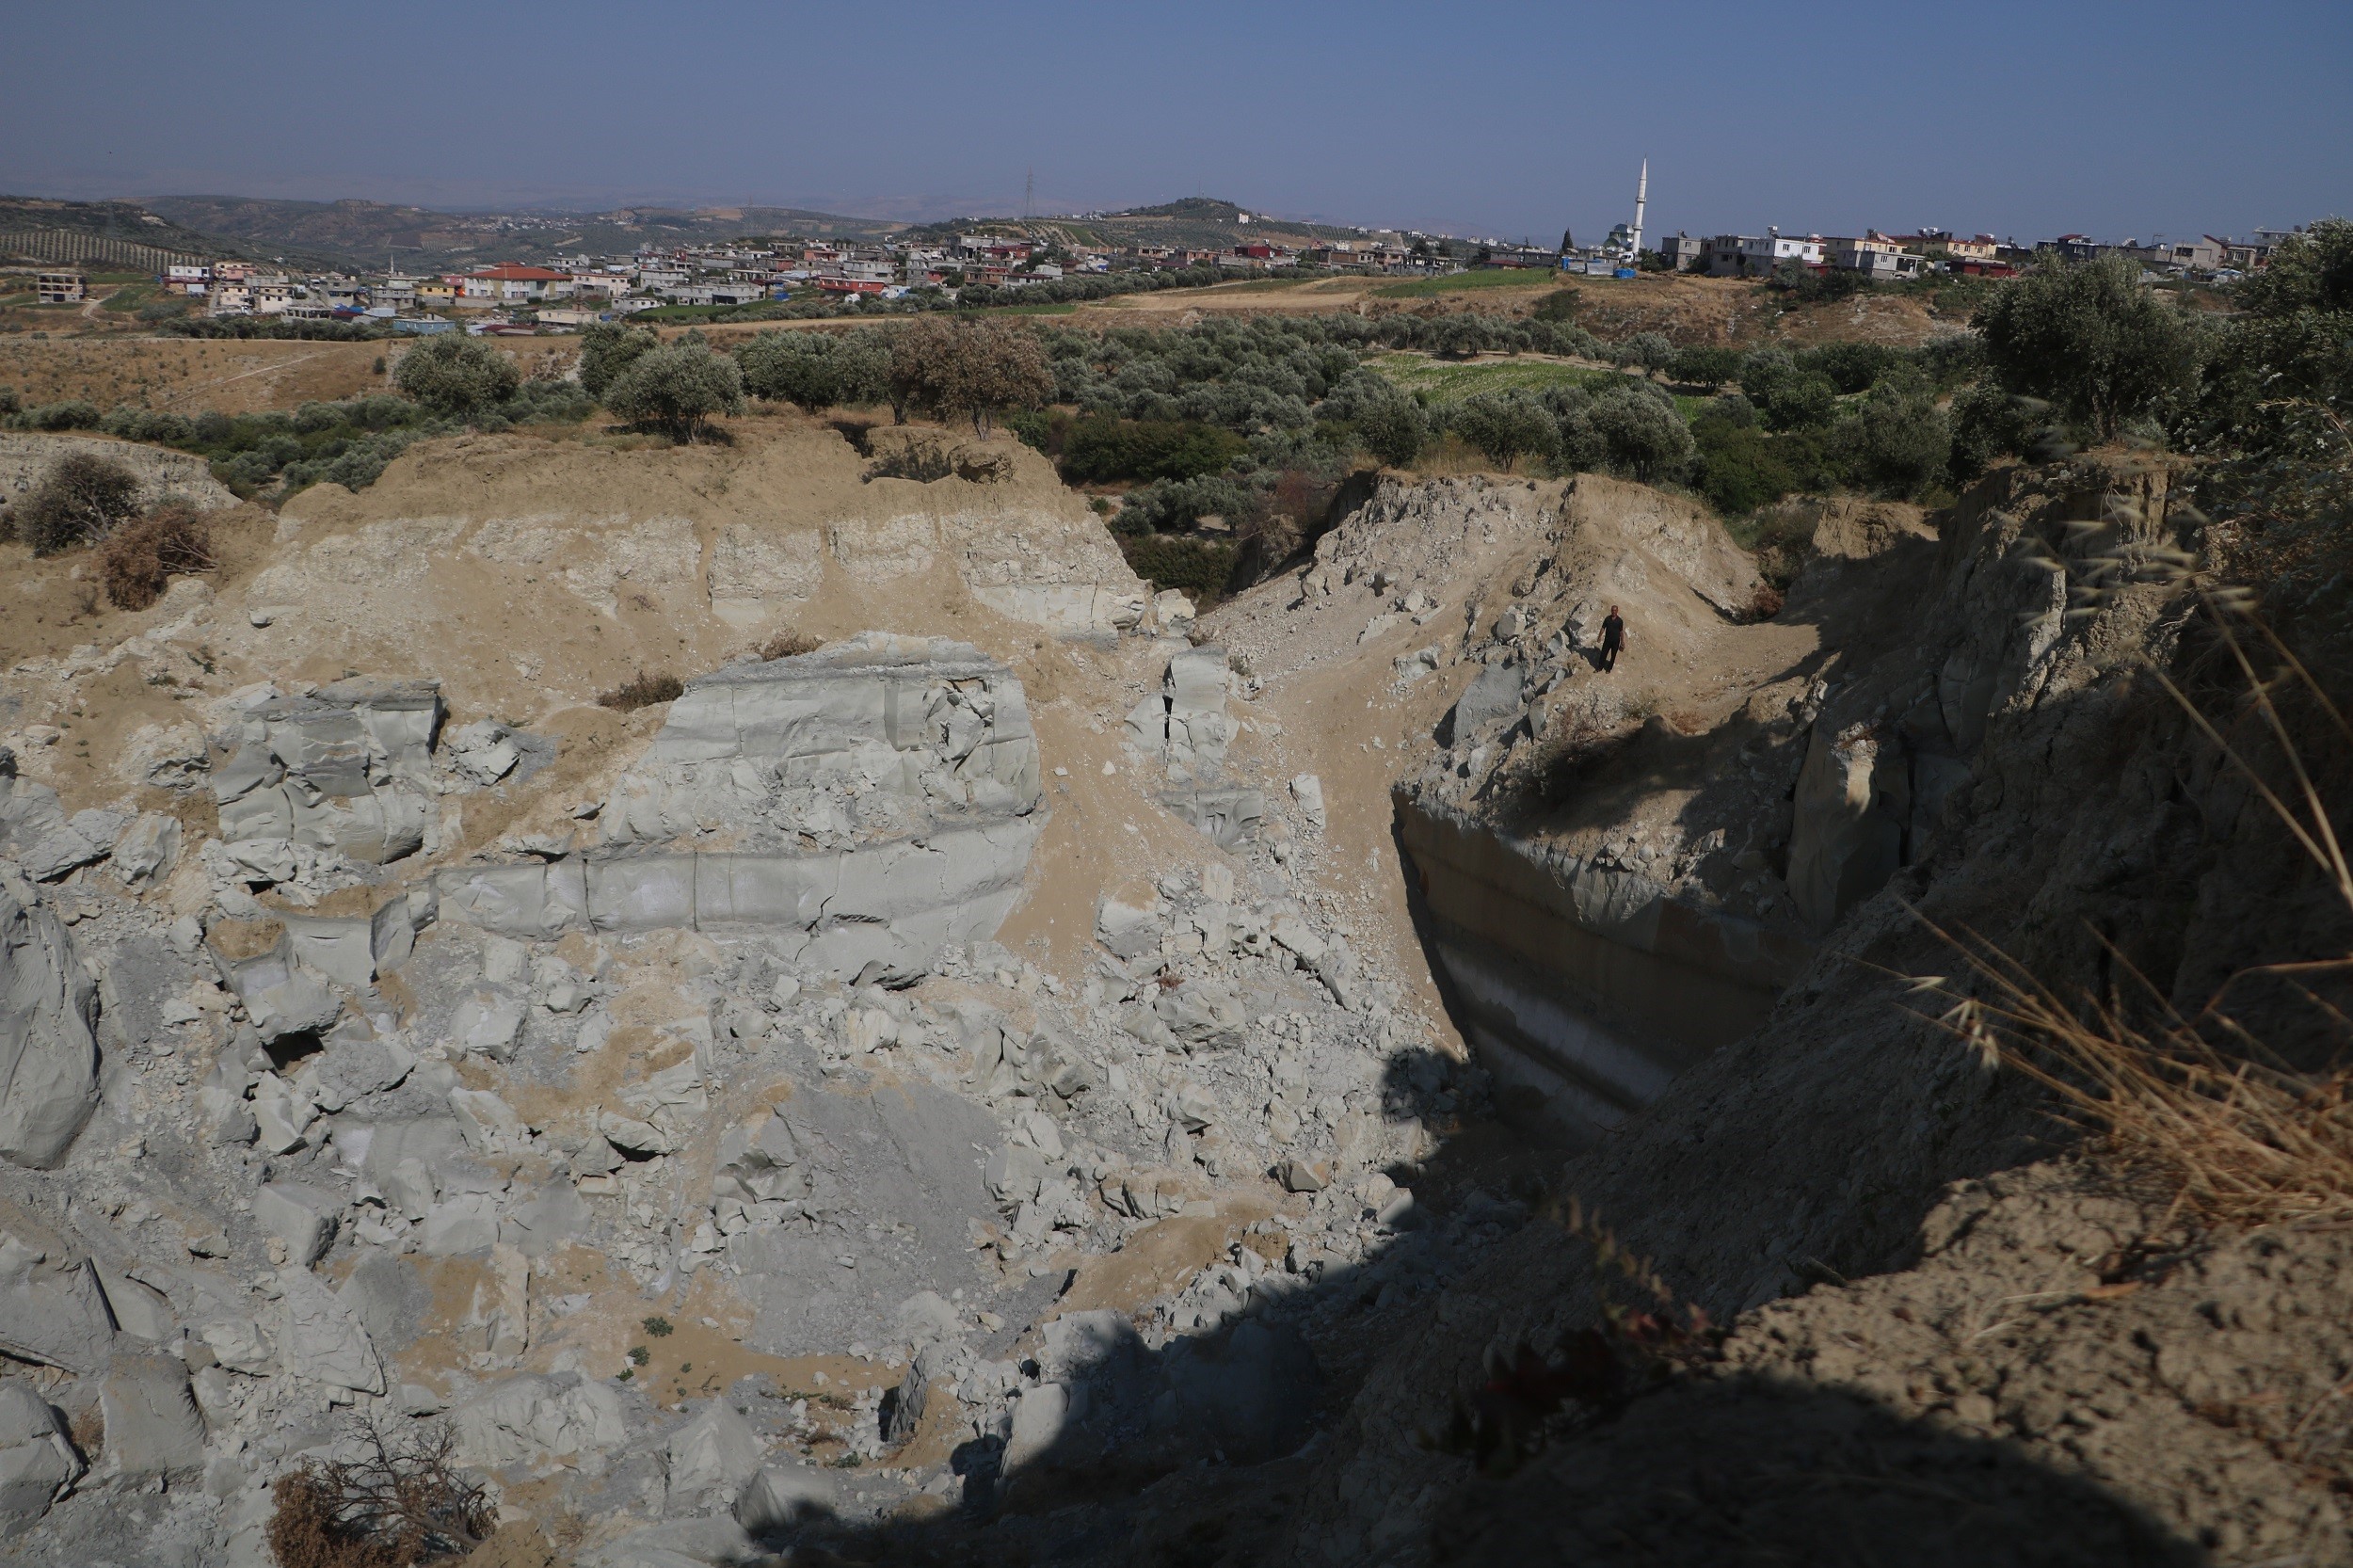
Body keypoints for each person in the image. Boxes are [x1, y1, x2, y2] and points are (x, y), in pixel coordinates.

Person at [1600, 605, 1625, 672]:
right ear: (1611, 610)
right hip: (1607, 640)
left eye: (1615, 610)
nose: (1613, 612)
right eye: (1612, 610)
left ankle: (1608, 669)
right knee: (1603, 654)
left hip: (1616, 641)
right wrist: (1599, 636)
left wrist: (1622, 641)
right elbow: (1603, 628)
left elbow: (1621, 631)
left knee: (1613, 655)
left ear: (1617, 611)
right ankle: (1599, 667)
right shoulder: (1607, 619)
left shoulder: (1620, 621)